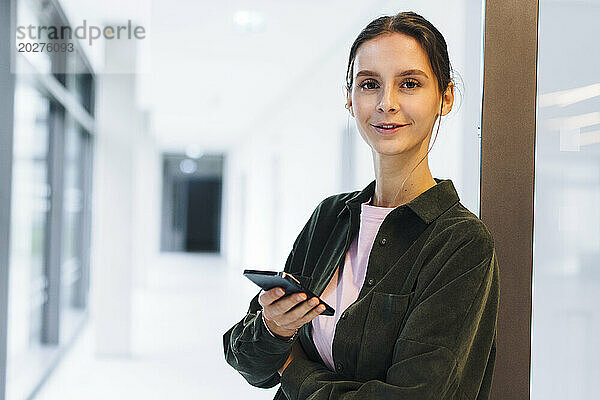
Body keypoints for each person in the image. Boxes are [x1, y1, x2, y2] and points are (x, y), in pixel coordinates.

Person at [223, 11, 500, 400]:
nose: (386, 103)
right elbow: (246, 362)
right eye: (369, 84)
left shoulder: (461, 243)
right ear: (351, 100)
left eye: (409, 83)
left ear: (445, 98)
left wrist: (295, 369)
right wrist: (272, 329)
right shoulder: (330, 217)